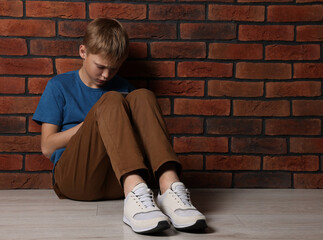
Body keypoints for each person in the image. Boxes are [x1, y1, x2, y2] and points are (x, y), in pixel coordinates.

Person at [33, 18, 207, 234]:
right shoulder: (59, 86)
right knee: (111, 100)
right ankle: (136, 190)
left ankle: (169, 189)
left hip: (118, 181)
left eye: (113, 69)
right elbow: (47, 147)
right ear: (83, 52)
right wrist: (93, 122)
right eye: (101, 66)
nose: (106, 75)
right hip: (76, 180)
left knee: (142, 95)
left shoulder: (124, 86)